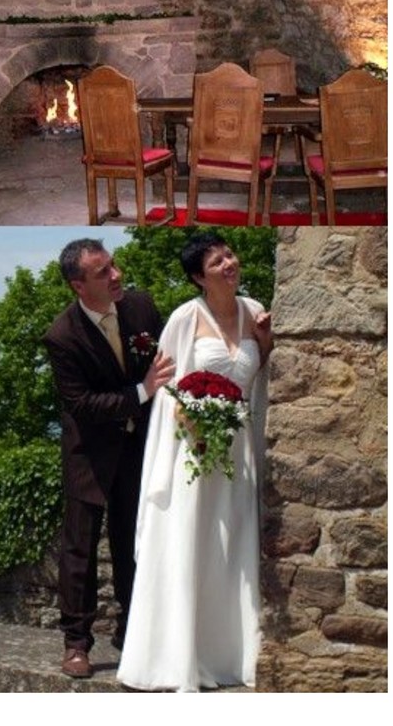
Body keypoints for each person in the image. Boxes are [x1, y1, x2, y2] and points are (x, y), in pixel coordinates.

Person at [117, 232, 273, 693]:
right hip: (195, 448)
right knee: (192, 540)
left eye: (229, 255)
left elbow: (258, 377)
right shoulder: (185, 318)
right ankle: (180, 655)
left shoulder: (253, 308)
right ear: (197, 278)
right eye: (216, 261)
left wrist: (264, 344)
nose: (229, 263)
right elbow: (166, 386)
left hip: (239, 446)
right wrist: (196, 428)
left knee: (234, 546)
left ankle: (228, 654)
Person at [43, 238, 175, 679]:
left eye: (114, 265)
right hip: (90, 453)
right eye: (103, 272)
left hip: (139, 448)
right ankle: (76, 643)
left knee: (133, 544)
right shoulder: (62, 336)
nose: (117, 275)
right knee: (79, 550)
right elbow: (82, 404)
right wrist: (141, 392)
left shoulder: (140, 307)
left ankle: (132, 630)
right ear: (79, 286)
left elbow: (164, 364)